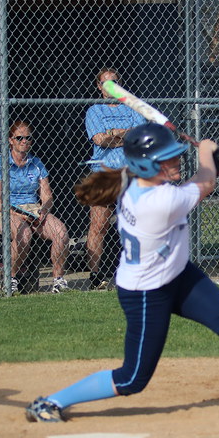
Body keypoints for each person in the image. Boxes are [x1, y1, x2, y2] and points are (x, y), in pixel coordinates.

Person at [25, 123, 219, 423]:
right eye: (166, 159)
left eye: (174, 156)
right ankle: (50, 402)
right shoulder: (160, 202)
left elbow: (201, 179)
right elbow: (206, 183)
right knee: (133, 378)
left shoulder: (134, 178)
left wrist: (211, 164)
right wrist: (208, 153)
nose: (175, 162)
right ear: (145, 165)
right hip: (145, 293)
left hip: (179, 274)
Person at [0, 120, 70, 294]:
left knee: (61, 233)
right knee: (23, 233)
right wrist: (16, 213)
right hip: (5, 210)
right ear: (10, 140)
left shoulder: (36, 163)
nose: (24, 141)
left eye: (28, 138)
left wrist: (43, 210)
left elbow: (47, 195)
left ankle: (58, 280)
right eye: (19, 138)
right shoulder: (0, 163)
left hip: (33, 208)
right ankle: (11, 279)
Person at [83, 68, 146, 290]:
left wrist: (115, 133)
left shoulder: (132, 108)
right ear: (99, 87)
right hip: (104, 173)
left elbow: (141, 137)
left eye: (114, 83)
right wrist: (124, 134)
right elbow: (100, 140)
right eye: (105, 84)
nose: (110, 88)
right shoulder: (94, 111)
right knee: (98, 225)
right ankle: (95, 276)